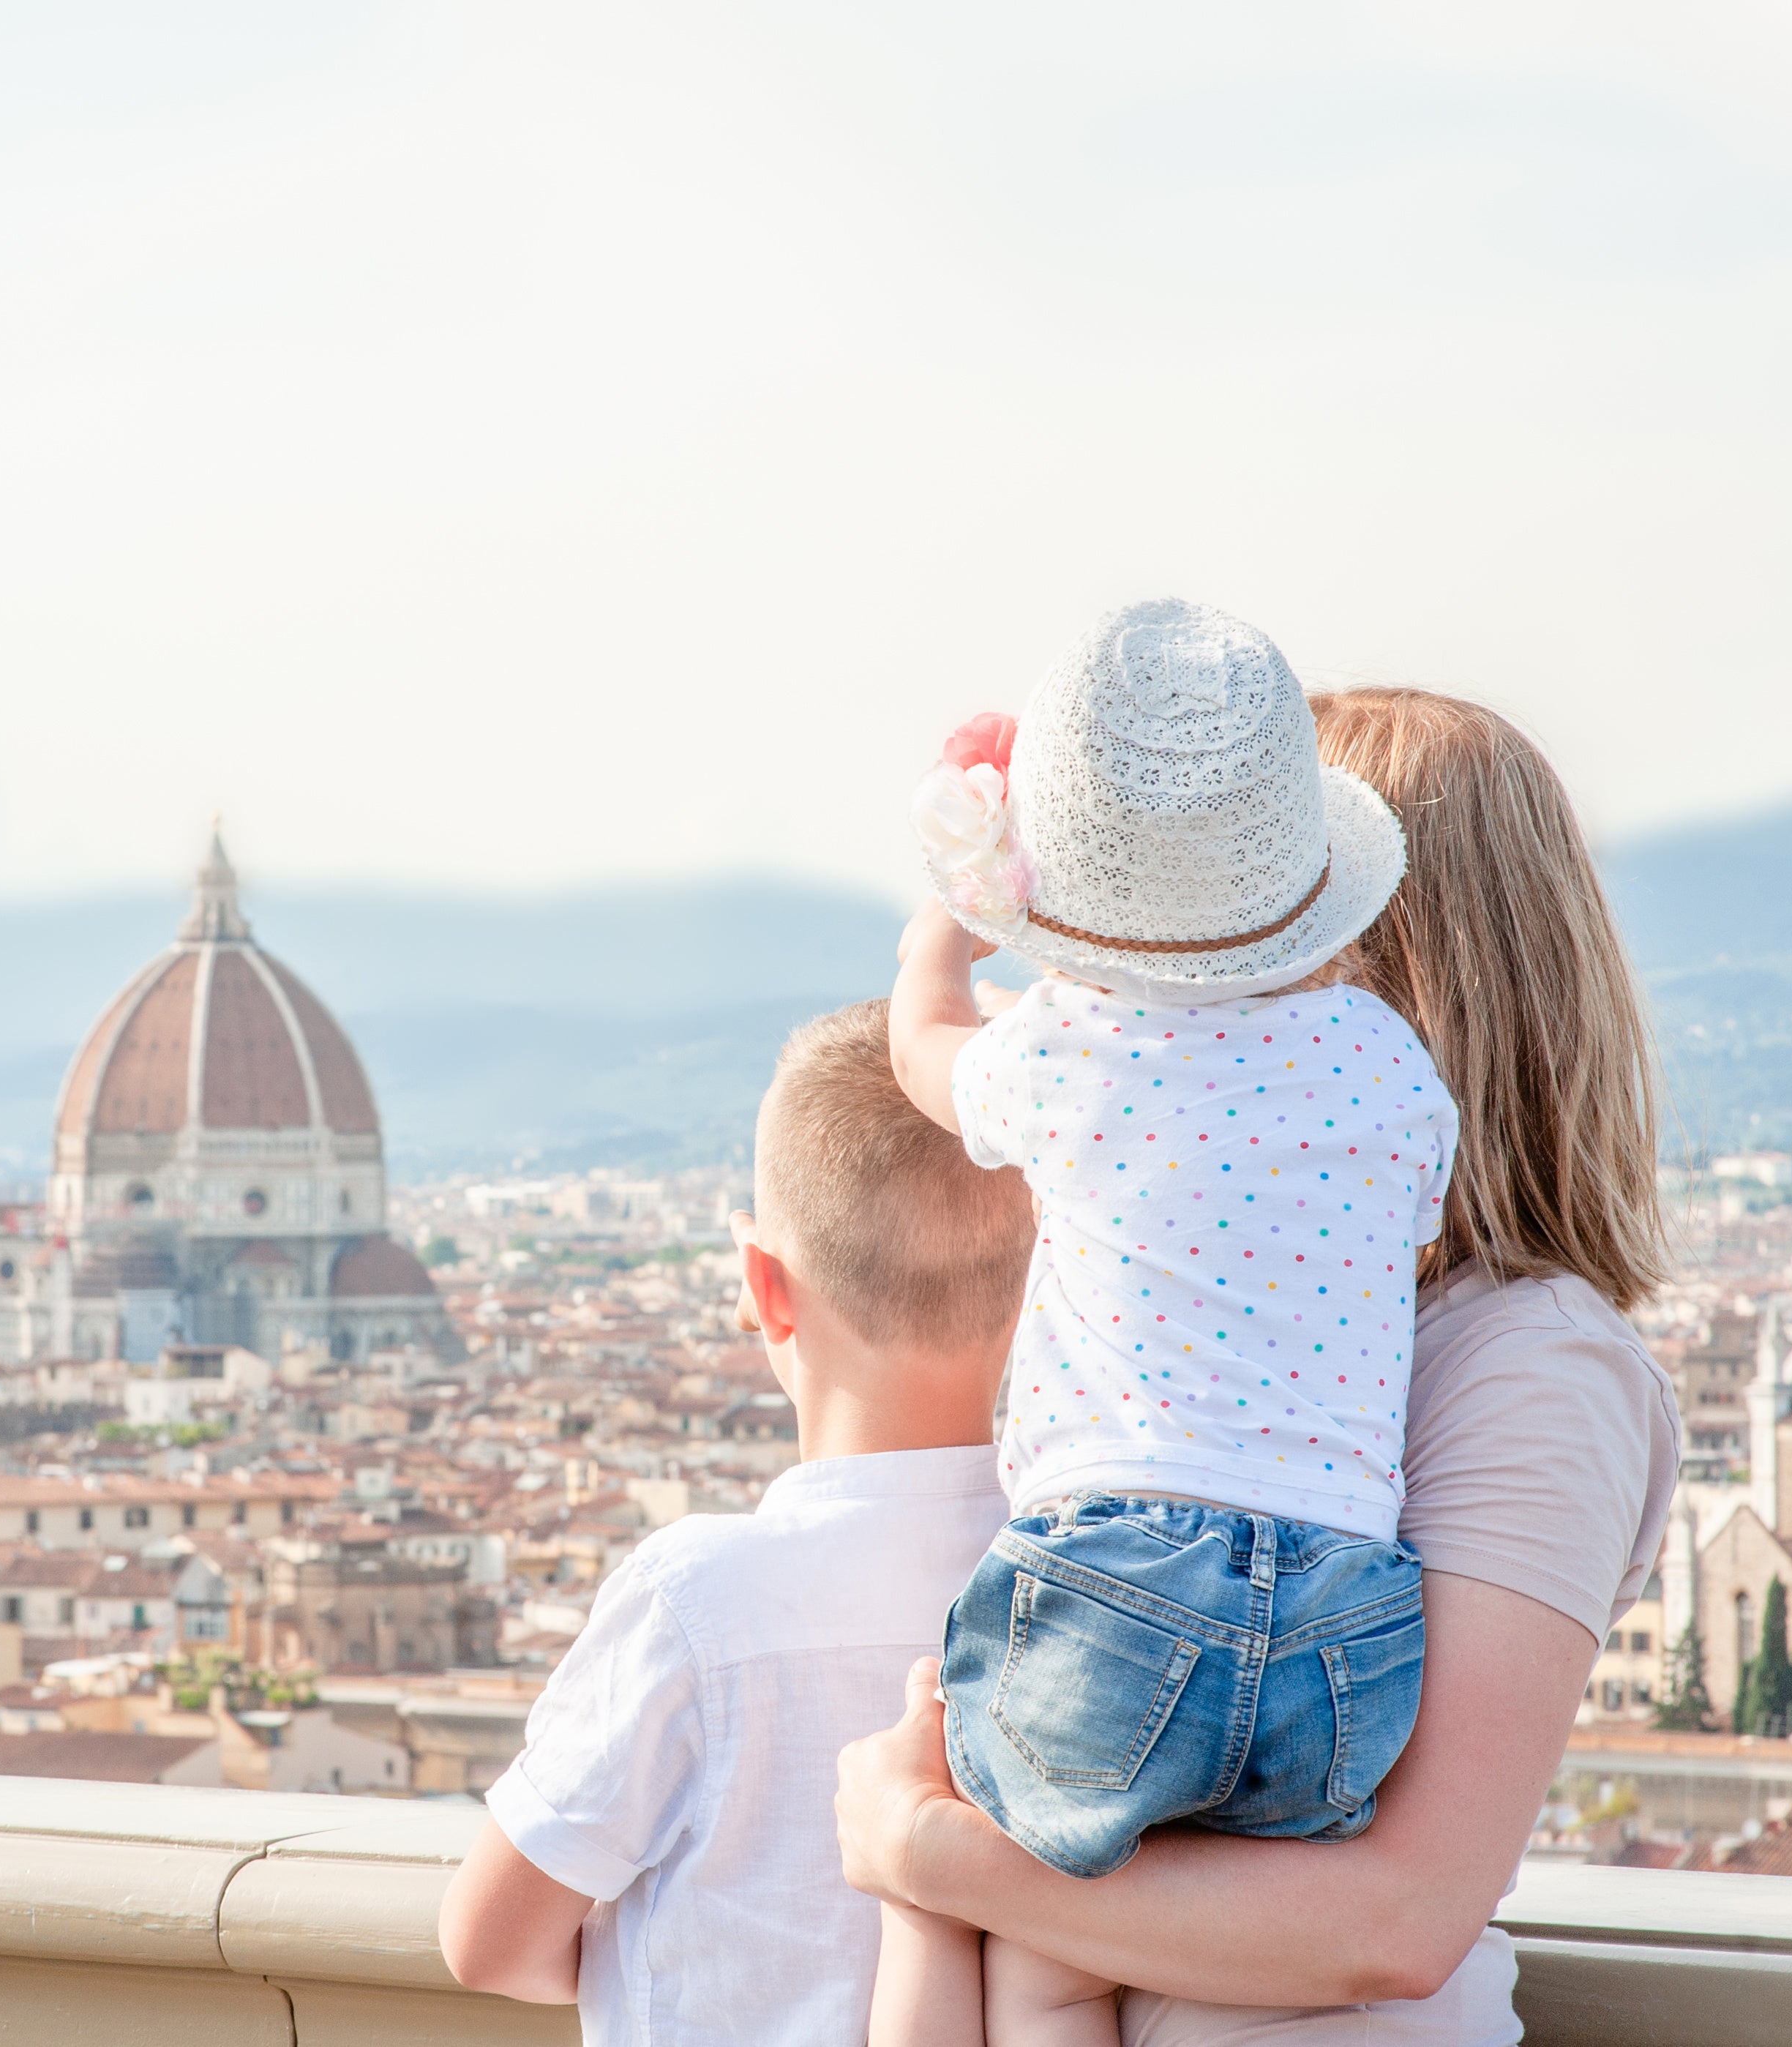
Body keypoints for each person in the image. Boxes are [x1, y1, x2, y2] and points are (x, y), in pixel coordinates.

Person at [837, 683, 1682, 2047]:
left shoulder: (1539, 1365)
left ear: (1373, 951)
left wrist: (927, 1853)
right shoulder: (1281, 1343)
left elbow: (1395, 1923)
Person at [879, 600, 1458, 2047]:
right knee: (1215, 1928)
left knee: (1044, 1947)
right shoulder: (1386, 1062)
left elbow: (922, 1053)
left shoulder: (1069, 1048)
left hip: (1112, 1582)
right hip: (1348, 1623)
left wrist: (936, 947)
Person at [436, 998, 1036, 2046]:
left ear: (763, 1283)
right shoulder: (1080, 1577)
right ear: (1039, 1289)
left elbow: (486, 1940)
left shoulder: (695, 1601)